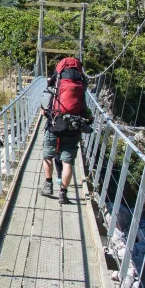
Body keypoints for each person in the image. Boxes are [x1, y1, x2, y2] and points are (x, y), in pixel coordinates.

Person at [40, 56, 93, 204]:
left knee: (47, 156)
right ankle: (63, 194)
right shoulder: (81, 81)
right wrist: (89, 118)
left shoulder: (57, 80)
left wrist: (45, 112)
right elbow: (84, 107)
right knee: (67, 162)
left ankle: (48, 185)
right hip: (74, 127)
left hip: (55, 125)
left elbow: (44, 106)